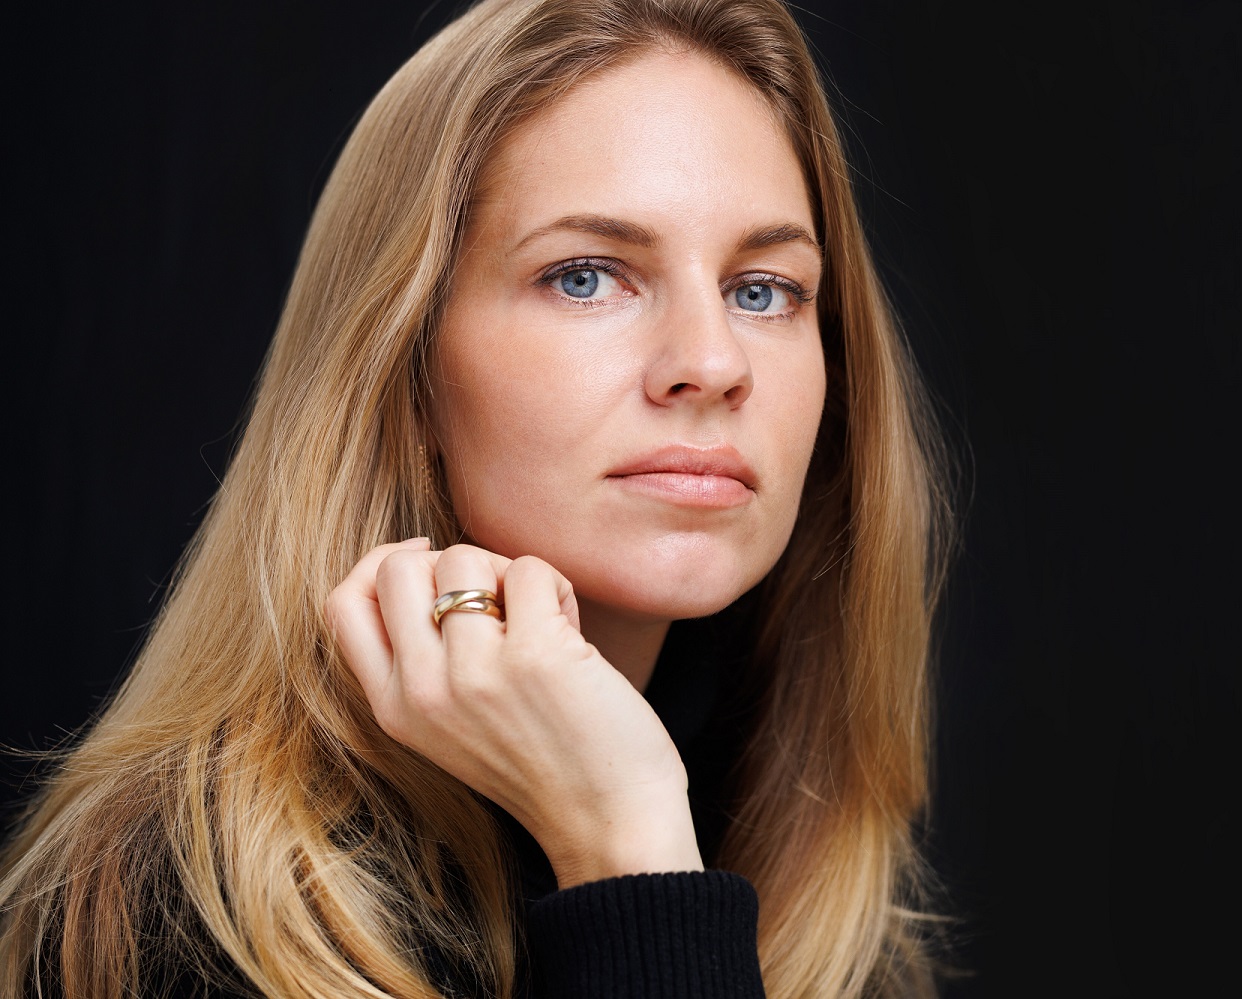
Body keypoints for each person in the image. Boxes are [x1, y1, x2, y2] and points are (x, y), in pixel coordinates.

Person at [0, 0, 956, 995]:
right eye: (587, 277)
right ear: (406, 364)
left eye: (763, 290)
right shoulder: (182, 919)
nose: (711, 364)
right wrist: (629, 861)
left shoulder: (822, 907)